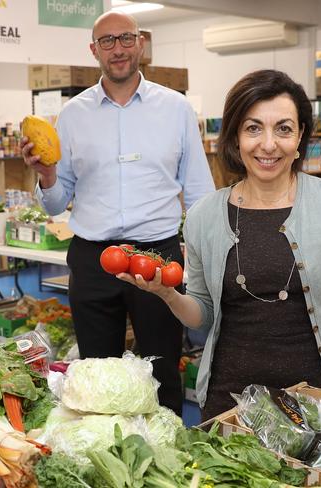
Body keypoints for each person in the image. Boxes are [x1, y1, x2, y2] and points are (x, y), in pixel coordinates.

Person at [117, 69, 321, 419]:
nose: (269, 144)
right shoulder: (204, 215)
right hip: (228, 398)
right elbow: (202, 314)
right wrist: (168, 294)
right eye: (253, 128)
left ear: (300, 136)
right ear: (235, 137)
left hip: (314, 398)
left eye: (284, 129)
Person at [20, 11, 215, 415]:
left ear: (140, 42)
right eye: (107, 42)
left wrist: (201, 258)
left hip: (158, 257)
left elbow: (199, 191)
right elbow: (57, 203)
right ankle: (107, 455)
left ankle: (168, 455)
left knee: (162, 368)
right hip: (94, 259)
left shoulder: (176, 108)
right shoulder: (73, 115)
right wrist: (47, 175)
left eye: (125, 38)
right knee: (96, 373)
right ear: (94, 51)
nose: (118, 49)